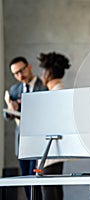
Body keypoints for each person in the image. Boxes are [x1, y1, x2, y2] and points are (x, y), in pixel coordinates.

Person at [4, 56, 47, 200]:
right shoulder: (14, 89)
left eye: (21, 70)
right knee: (26, 180)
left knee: (38, 181)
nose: (20, 75)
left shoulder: (43, 85)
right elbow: (7, 115)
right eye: (16, 73)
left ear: (29, 67)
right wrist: (12, 109)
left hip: (40, 140)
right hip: (22, 141)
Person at [37, 51, 71, 200]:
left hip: (50, 149)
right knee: (54, 186)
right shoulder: (57, 91)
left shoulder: (55, 94)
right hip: (53, 150)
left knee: (48, 187)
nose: (41, 75)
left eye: (43, 71)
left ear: (48, 73)